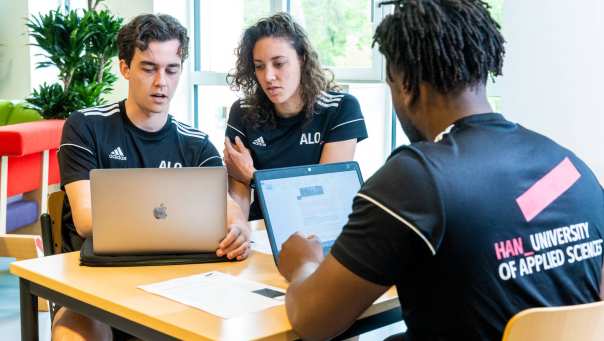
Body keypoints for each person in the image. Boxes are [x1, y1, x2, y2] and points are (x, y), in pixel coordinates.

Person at [277, 1, 604, 340]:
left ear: (406, 86)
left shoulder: (416, 177)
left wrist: (303, 264)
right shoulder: (570, 168)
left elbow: (313, 323)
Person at [54, 14, 251, 340]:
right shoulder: (86, 126)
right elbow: (87, 220)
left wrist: (239, 229)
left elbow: (228, 211)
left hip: (180, 285)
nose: (162, 81)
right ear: (125, 68)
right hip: (96, 284)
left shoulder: (196, 144)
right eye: (149, 68)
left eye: (171, 70)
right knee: (73, 332)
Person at [224, 12, 368, 220]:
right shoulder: (242, 111)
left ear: (302, 59)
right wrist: (238, 230)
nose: (269, 76)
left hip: (317, 228)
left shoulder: (341, 108)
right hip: (262, 227)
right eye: (259, 66)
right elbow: (238, 190)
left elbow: (321, 196)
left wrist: (254, 177)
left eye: (279, 63)